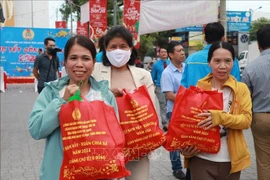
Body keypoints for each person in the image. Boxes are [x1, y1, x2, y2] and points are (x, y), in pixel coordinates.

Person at [29, 35, 118, 180]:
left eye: (86, 58)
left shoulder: (105, 96)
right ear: (65, 62)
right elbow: (36, 130)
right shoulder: (51, 92)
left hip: (97, 174)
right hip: (59, 174)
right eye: (73, 58)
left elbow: (115, 138)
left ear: (94, 62)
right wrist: (61, 102)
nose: (79, 64)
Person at [92, 25, 155, 180]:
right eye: (113, 47)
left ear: (130, 49)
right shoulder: (94, 70)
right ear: (105, 49)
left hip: (136, 145)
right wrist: (107, 96)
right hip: (104, 146)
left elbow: (151, 112)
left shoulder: (143, 75)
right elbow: (85, 101)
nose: (118, 51)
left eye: (122, 46)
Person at [181, 42, 252, 180]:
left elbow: (246, 120)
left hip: (231, 160)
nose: (222, 66)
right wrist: (186, 149)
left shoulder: (241, 89)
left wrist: (220, 117)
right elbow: (188, 124)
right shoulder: (198, 88)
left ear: (234, 63)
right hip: (201, 159)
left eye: (227, 61)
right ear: (209, 63)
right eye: (217, 61)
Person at [241, 25, 270, 180]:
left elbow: (244, 96)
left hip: (261, 118)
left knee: (264, 162)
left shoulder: (251, 67)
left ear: (258, 45)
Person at [181, 22, 241, 88]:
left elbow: (184, 87)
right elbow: (236, 86)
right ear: (223, 38)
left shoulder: (190, 59)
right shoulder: (231, 60)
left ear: (205, 38)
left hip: (194, 97)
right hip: (222, 98)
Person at [160, 41, 186, 180]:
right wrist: (188, 99)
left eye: (183, 50)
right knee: (174, 140)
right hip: (174, 111)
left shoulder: (187, 68)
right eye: (179, 51)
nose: (183, 53)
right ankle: (176, 168)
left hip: (189, 110)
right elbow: (169, 95)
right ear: (171, 55)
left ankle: (190, 165)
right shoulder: (167, 73)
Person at [151, 47, 170, 130]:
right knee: (163, 105)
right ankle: (165, 123)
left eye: (165, 52)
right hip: (160, 87)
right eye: (162, 52)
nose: (163, 53)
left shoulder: (171, 63)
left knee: (170, 105)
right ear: (159, 54)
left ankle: (171, 121)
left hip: (170, 87)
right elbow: (152, 77)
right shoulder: (156, 65)